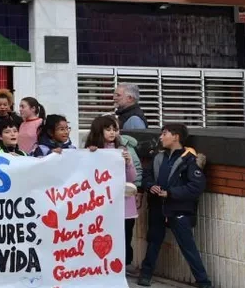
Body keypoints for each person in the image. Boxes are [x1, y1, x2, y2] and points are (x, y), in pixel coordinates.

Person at [138, 124, 209, 288]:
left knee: (188, 247)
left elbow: (196, 187)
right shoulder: (158, 157)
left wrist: (170, 193)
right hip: (157, 208)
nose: (161, 137)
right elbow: (147, 176)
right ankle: (146, 275)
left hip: (178, 210)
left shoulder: (190, 159)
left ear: (176, 136)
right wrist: (150, 186)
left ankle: (204, 282)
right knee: (153, 241)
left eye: (164, 134)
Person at [84, 115, 139, 266]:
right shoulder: (90, 151)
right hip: (101, 206)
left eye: (114, 129)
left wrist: (128, 162)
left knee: (125, 238)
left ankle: (122, 270)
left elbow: (132, 178)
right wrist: (90, 155)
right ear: (98, 131)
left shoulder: (122, 150)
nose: (112, 133)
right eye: (108, 129)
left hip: (124, 205)